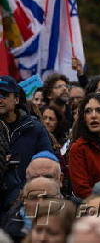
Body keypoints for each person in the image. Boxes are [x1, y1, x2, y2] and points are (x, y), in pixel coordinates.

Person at [0, 76, 53, 210]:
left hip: (26, 203)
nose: (0, 99)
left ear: (16, 99)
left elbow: (47, 165)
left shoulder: (34, 129)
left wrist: (28, 193)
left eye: (4, 95)